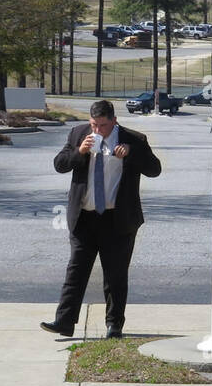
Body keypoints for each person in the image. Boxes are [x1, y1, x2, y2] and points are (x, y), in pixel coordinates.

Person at [42, 99, 162, 339]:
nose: (97, 130)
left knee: (115, 275)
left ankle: (114, 325)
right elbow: (59, 165)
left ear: (114, 121)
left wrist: (131, 154)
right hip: (84, 218)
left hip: (117, 220)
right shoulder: (78, 134)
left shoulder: (134, 139)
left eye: (103, 126)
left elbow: (154, 169)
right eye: (94, 125)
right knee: (75, 271)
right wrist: (80, 152)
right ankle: (64, 322)